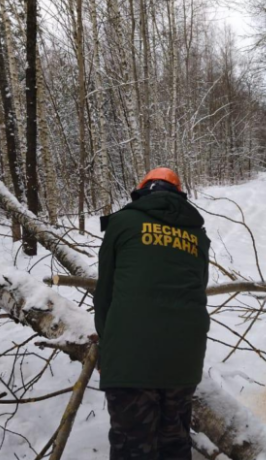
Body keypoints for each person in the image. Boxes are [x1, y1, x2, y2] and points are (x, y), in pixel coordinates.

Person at [94, 167, 211, 460]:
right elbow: (198, 289)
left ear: (142, 190)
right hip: (185, 356)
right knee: (174, 442)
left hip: (130, 356)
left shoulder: (121, 222)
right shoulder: (197, 234)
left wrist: (108, 347)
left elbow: (105, 291)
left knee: (133, 447)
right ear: (179, 195)